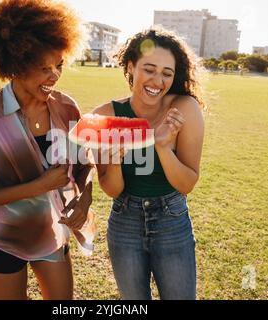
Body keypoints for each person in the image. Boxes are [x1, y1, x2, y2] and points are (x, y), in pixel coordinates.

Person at [0, 0, 95, 300]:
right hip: (3, 240)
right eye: (43, 68)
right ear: (16, 63)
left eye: (59, 65)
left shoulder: (67, 108)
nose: (55, 76)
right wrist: (38, 186)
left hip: (52, 236)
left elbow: (84, 166)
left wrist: (84, 199)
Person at [93, 27, 205, 300]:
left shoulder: (184, 108)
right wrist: (115, 159)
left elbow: (187, 183)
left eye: (167, 73)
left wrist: (163, 146)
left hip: (171, 220)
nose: (158, 80)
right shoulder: (105, 116)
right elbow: (112, 189)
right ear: (131, 66)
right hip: (124, 222)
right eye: (149, 69)